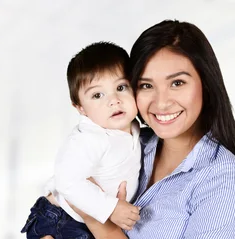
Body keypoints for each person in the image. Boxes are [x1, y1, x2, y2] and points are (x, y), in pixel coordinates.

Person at [71, 20, 235, 239]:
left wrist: (96, 219)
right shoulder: (127, 142)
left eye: (177, 83)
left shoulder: (224, 181)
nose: (161, 102)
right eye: (146, 85)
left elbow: (79, 201)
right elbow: (60, 194)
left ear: (206, 83)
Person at [20, 42, 143, 239]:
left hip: (90, 222)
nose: (113, 100)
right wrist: (110, 208)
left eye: (121, 87)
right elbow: (67, 181)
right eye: (97, 95)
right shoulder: (89, 138)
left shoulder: (134, 127)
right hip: (61, 220)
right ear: (80, 108)